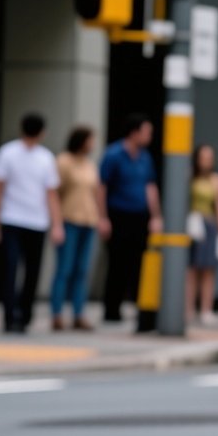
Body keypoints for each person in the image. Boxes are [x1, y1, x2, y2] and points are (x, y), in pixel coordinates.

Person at [0, 113, 63, 334]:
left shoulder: (8, 152)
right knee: (24, 270)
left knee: (19, 269)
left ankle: (16, 316)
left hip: (25, 220)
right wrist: (57, 224)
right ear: (42, 132)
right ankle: (18, 315)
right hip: (19, 219)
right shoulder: (44, 157)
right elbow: (51, 195)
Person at [97, 115, 161, 323]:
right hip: (118, 214)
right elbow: (102, 187)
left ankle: (140, 309)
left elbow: (150, 187)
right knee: (117, 263)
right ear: (134, 132)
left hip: (139, 216)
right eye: (146, 131)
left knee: (139, 264)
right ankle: (111, 310)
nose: (149, 136)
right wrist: (103, 217)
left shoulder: (145, 157)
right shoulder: (114, 154)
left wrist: (156, 216)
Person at [50, 126, 103, 331]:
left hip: (88, 221)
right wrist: (55, 223)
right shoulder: (63, 162)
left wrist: (100, 217)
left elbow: (96, 193)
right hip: (68, 220)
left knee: (82, 270)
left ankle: (79, 314)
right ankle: (57, 314)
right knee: (65, 268)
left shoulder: (90, 164)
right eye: (91, 140)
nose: (93, 144)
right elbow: (53, 193)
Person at [187, 145, 218, 324]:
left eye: (210, 157)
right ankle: (188, 309)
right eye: (203, 157)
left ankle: (206, 309)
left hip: (210, 225)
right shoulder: (189, 176)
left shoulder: (217, 179)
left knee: (209, 269)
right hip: (193, 225)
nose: (207, 161)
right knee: (191, 269)